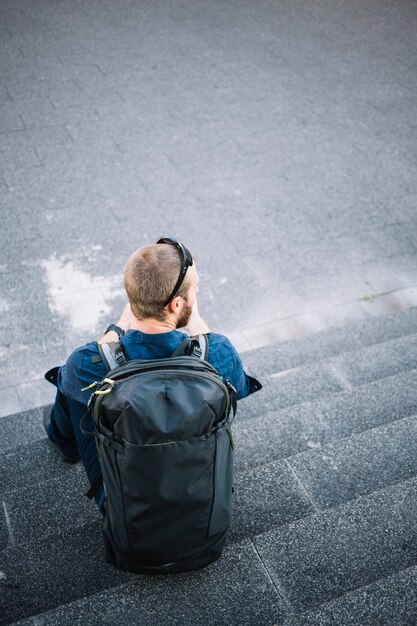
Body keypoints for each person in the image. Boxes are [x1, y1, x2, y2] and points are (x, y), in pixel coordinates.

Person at [43, 237, 260, 513]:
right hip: (203, 494)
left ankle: (65, 445)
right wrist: (199, 329)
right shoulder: (218, 351)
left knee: (70, 384)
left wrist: (115, 329)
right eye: (195, 291)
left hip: (123, 504)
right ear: (177, 305)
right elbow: (239, 389)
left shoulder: (85, 361)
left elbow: (75, 376)